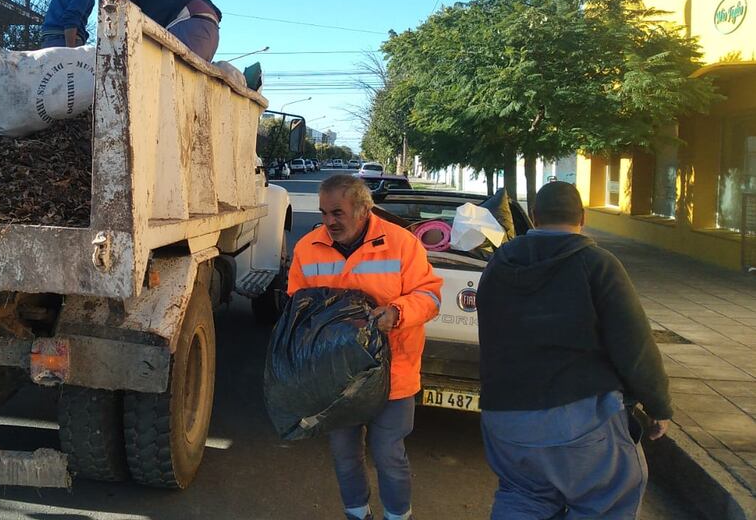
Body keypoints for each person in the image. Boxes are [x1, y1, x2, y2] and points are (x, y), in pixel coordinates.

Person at [476, 181, 672, 520]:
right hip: (578, 419)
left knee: (523, 498)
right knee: (608, 498)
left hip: (504, 419)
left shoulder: (499, 265)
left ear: (535, 217)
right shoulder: (597, 264)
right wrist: (658, 404)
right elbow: (635, 344)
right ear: (582, 217)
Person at [287, 174, 442, 520]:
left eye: (337, 213)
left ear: (363, 209)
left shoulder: (402, 244)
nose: (328, 222)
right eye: (324, 213)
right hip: (336, 377)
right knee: (344, 453)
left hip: (393, 372)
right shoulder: (307, 248)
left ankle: (398, 516)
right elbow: (295, 305)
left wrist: (397, 312)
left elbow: (429, 296)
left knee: (389, 453)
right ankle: (357, 514)